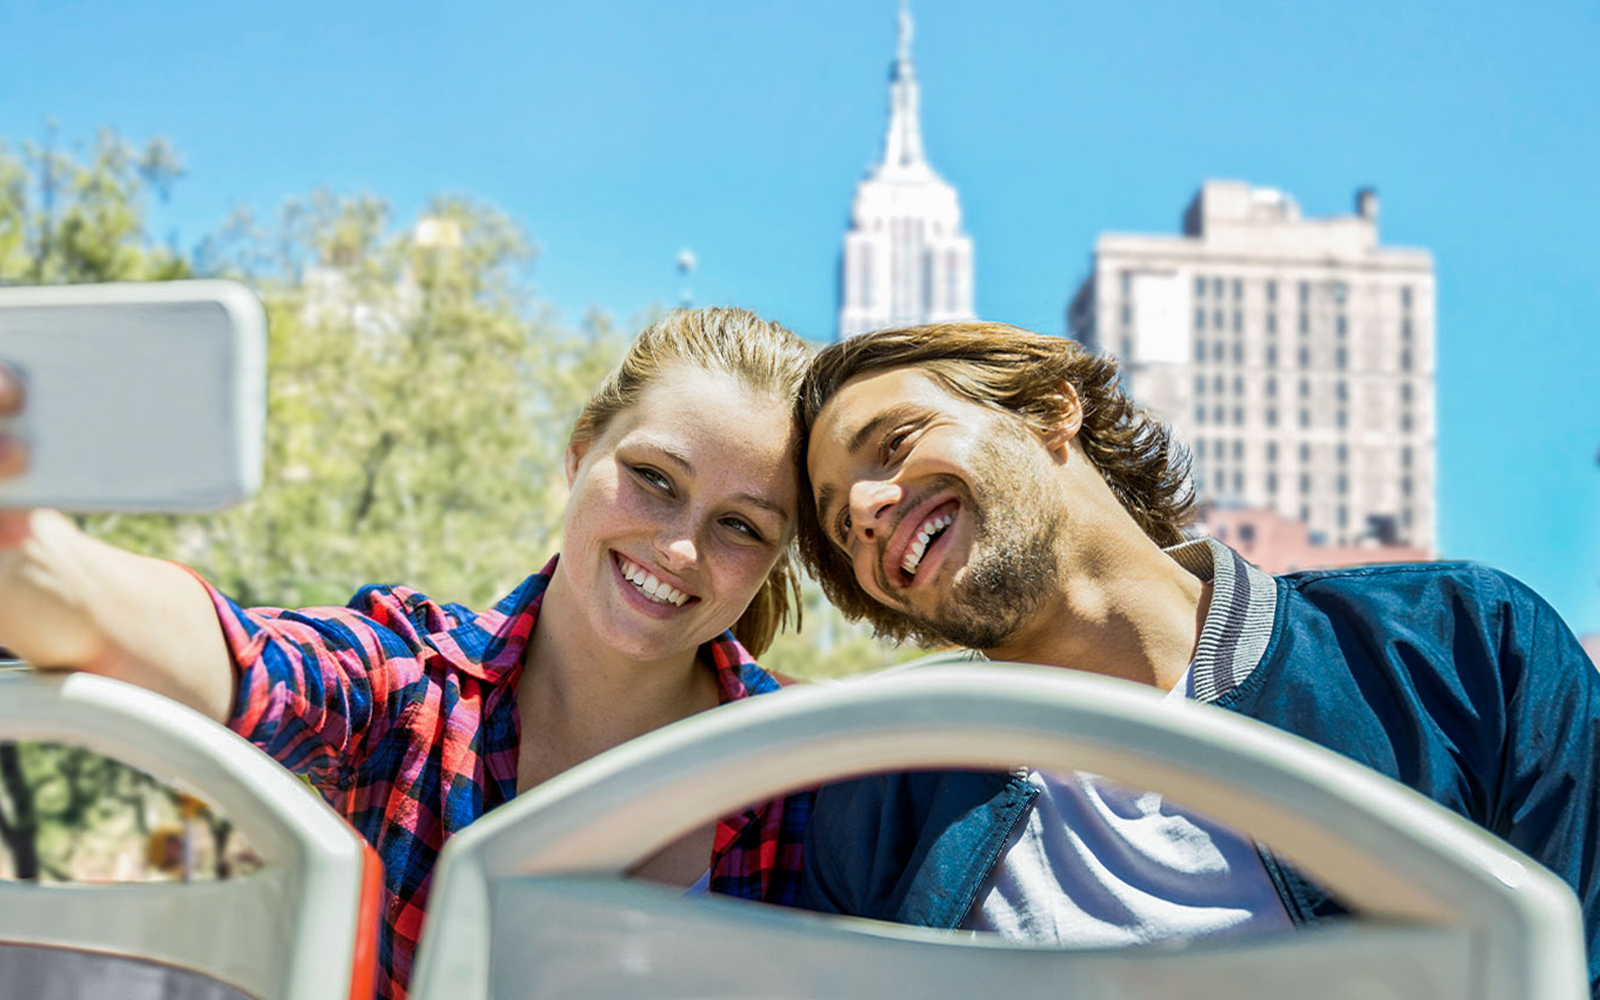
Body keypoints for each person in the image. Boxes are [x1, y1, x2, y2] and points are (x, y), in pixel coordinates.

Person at [0, 307, 815, 1000]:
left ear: (777, 558)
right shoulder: (413, 686)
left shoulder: (816, 769)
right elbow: (235, 657)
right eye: (653, 477)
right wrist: (31, 554)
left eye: (741, 526)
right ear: (579, 453)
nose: (680, 548)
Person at [794, 321, 1600, 990]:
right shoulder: (872, 803)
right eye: (839, 526)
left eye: (896, 441)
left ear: (1049, 406)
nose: (865, 507)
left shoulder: (1466, 648)